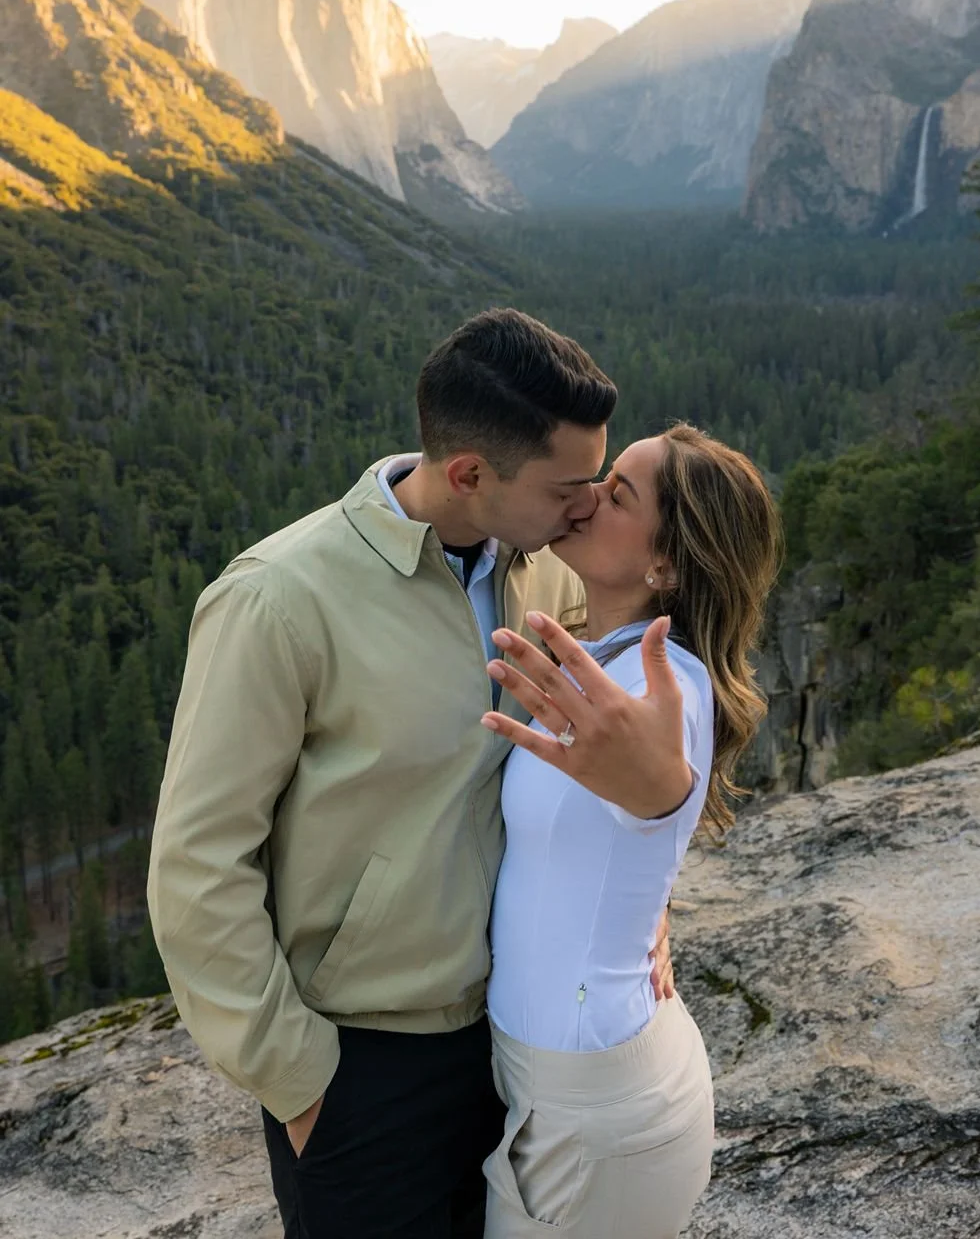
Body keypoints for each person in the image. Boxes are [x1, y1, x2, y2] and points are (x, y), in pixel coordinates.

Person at [147, 308, 681, 1239]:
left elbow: (588, 781)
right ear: (471, 474)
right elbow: (196, 868)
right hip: (363, 1071)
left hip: (522, 1043)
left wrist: (650, 907)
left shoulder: (547, 577)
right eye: (569, 488)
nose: (588, 506)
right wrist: (302, 1083)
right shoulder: (277, 599)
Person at [478, 424, 782, 1239]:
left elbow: (660, 784)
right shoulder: (603, 650)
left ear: (667, 565)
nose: (587, 497)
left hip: (595, 1111)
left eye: (618, 495)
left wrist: (659, 805)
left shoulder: (661, 685)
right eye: (599, 477)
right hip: (578, 1071)